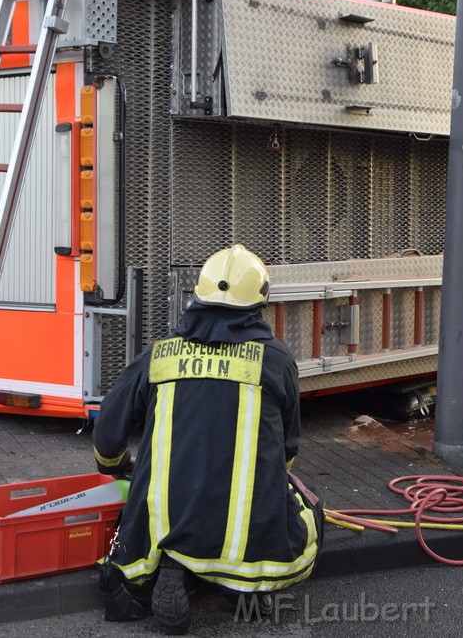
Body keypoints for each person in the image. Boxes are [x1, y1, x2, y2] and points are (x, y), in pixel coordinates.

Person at [92, 244, 323, 634]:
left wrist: (114, 468)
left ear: (196, 298)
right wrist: (277, 478)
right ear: (259, 303)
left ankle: (175, 566)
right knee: (311, 505)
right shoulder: (276, 360)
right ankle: (244, 583)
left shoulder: (159, 355)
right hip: (248, 520)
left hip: (167, 512)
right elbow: (287, 446)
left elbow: (108, 432)